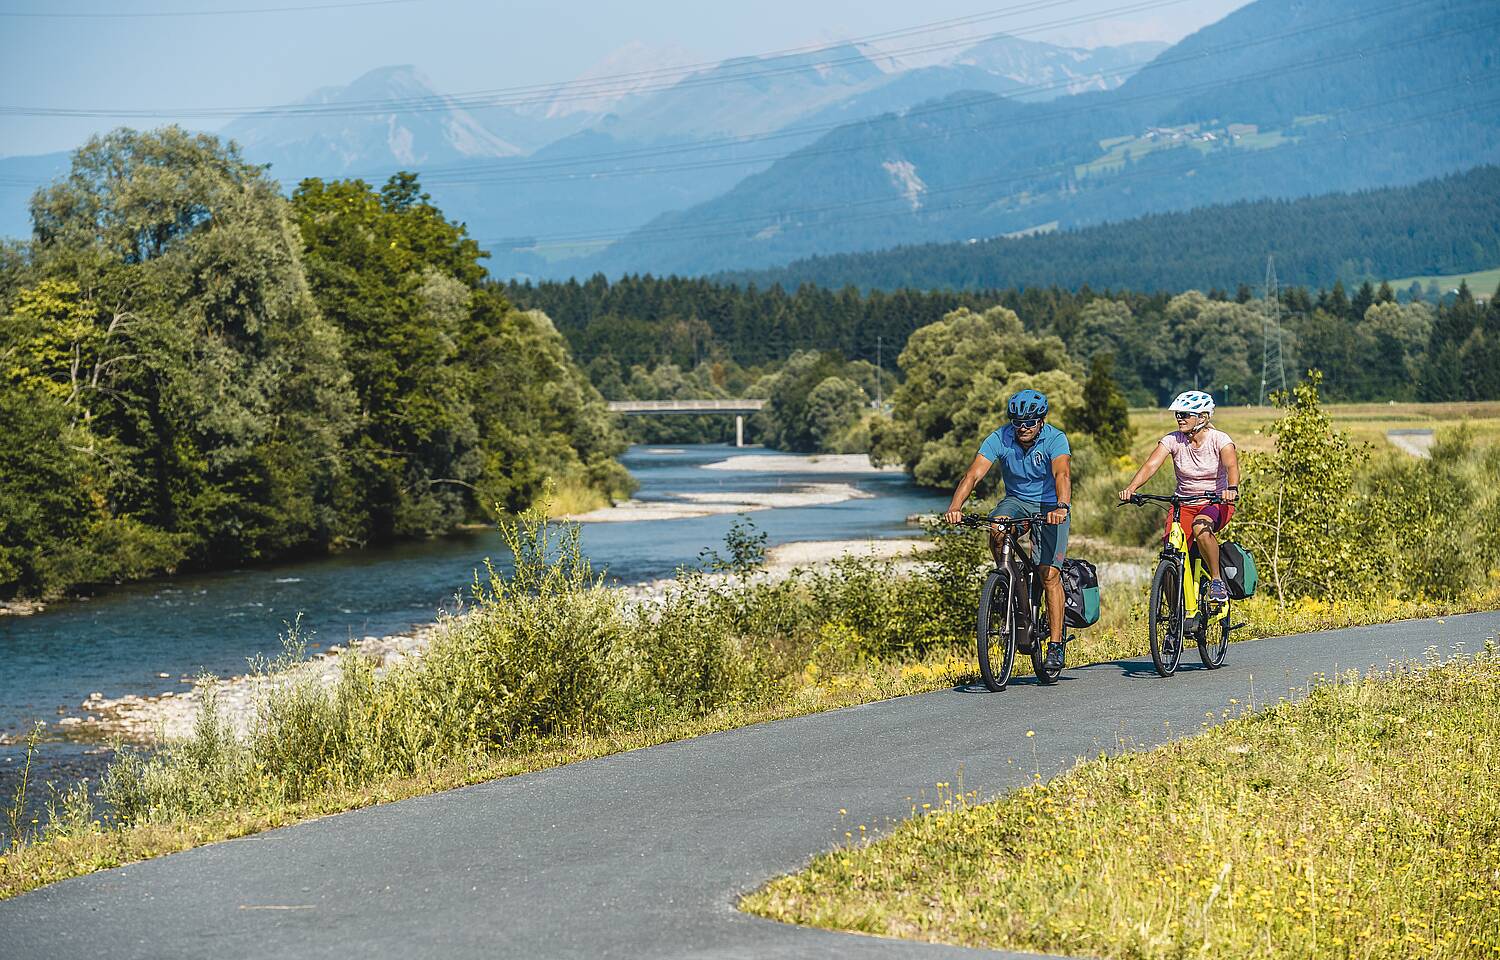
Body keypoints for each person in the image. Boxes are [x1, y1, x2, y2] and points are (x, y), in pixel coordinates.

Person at [944, 389, 1072, 672]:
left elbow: (1062, 473)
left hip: (1051, 504)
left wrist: (1061, 506)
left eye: (1029, 422)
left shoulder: (1055, 438)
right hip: (1016, 501)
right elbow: (973, 474)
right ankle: (1008, 577)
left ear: (1041, 421)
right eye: (1017, 422)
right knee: (997, 526)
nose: (1022, 428)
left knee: (1049, 574)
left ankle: (1055, 644)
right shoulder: (999, 437)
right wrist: (955, 506)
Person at [1118, 390, 1241, 602]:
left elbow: (1231, 466)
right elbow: (1151, 465)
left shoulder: (1220, 439)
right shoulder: (1173, 440)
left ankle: (1216, 581)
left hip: (1215, 502)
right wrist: (1132, 488)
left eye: (1185, 414)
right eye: (1177, 414)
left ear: (1202, 417)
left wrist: (1232, 489)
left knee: (1201, 529)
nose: (1179, 418)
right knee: (1170, 551)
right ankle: (1177, 619)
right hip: (1183, 503)